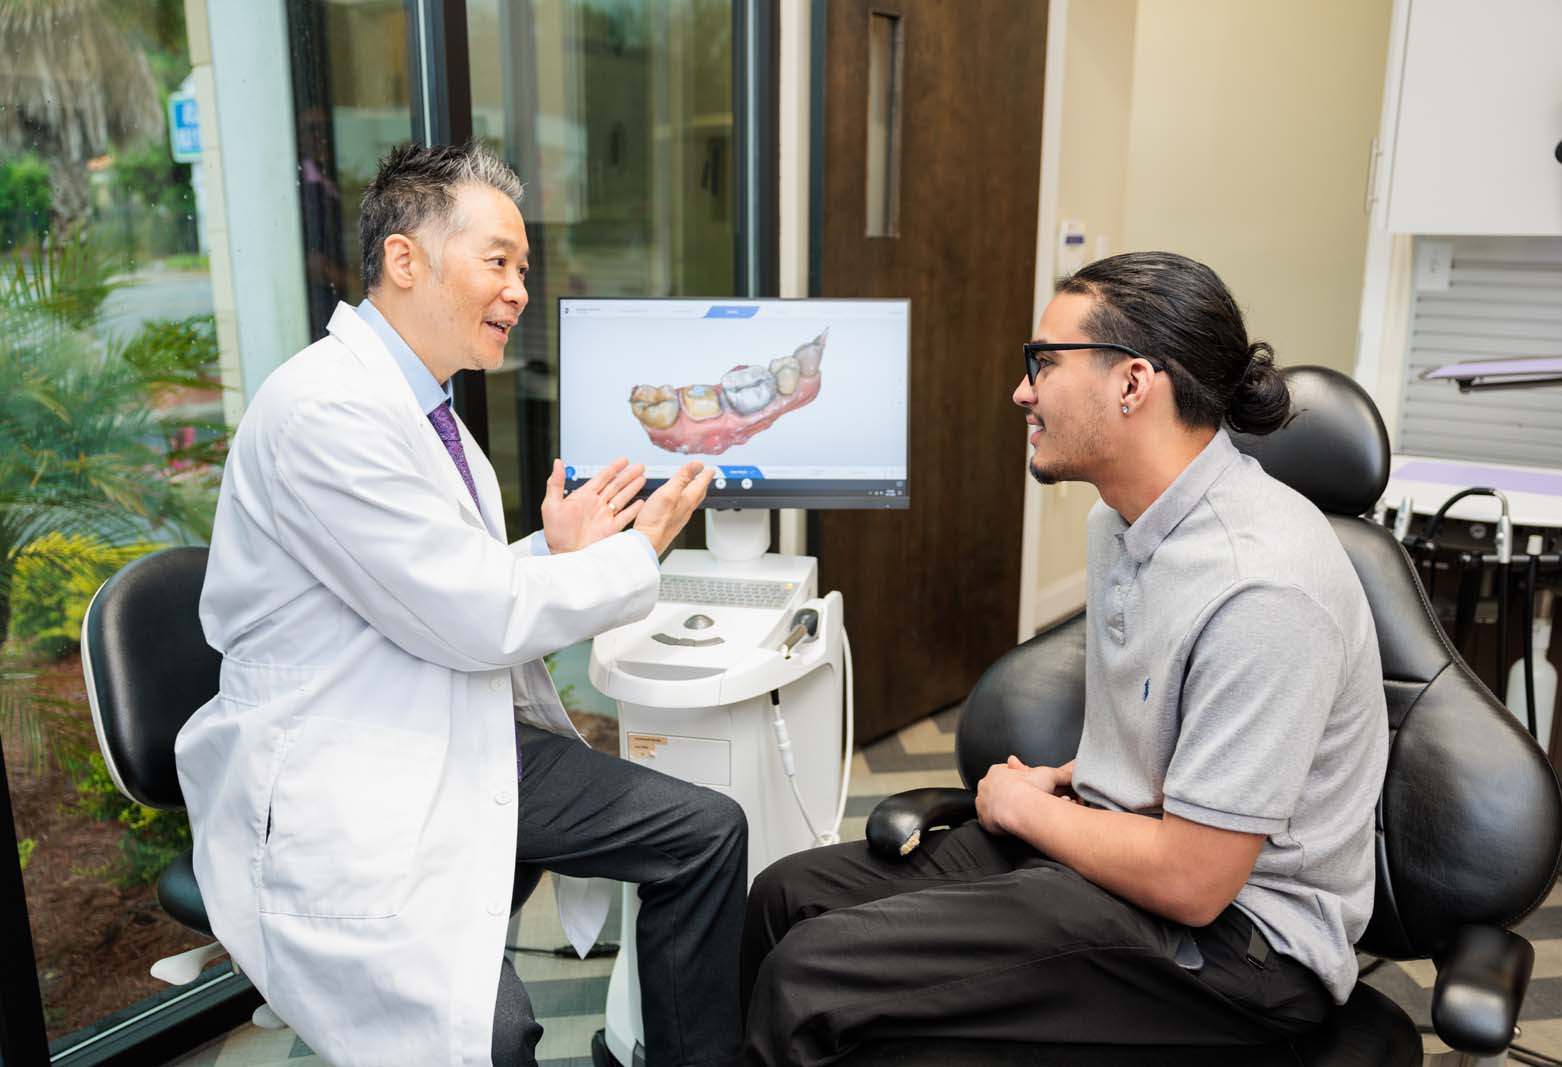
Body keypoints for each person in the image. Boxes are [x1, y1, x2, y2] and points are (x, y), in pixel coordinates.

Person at [176, 141, 746, 1067]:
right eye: (499, 262)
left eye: (524, 268)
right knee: (492, 1034)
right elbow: (470, 612)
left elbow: (436, 581)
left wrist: (549, 552)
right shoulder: (325, 411)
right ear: (406, 260)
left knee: (704, 830)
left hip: (446, 722)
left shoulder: (431, 414)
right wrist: (632, 553)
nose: (520, 290)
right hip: (352, 762)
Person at [740, 252, 1389, 1064]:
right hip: (1119, 853)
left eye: (1043, 363)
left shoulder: (1265, 586)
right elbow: (1178, 723)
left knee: (812, 978)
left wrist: (1024, 807)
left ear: (1133, 384)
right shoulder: (1119, 521)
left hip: (1240, 951)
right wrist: (1082, 778)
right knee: (783, 898)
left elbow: (1195, 881)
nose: (1022, 390)